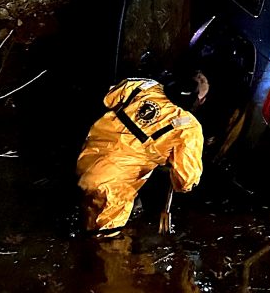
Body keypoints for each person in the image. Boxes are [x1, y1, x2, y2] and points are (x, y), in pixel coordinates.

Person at [76, 72, 207, 236]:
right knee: (106, 239)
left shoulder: (144, 85)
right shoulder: (189, 128)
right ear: (200, 100)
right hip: (113, 185)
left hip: (88, 157)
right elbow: (186, 180)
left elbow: (109, 98)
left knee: (89, 204)